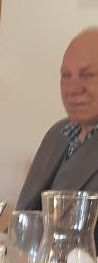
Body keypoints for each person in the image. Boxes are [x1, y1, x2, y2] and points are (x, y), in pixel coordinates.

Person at [16, 28, 98, 214]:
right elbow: (23, 215)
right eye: (66, 75)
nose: (72, 89)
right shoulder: (57, 133)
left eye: (87, 75)